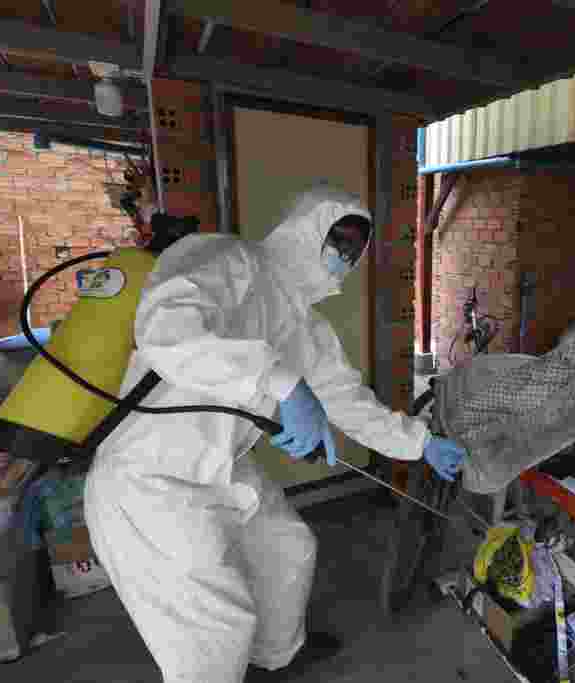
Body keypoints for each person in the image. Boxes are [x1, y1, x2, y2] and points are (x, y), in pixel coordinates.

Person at [83, 184, 467, 683]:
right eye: (338, 239)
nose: (344, 256)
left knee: (288, 548)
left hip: (222, 467)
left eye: (355, 248)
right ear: (304, 228)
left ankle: (277, 658)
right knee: (214, 629)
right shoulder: (228, 258)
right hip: (151, 481)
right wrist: (286, 386)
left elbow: (349, 402)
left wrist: (421, 443)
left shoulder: (307, 328)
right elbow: (168, 333)